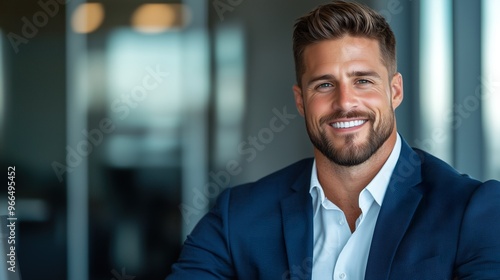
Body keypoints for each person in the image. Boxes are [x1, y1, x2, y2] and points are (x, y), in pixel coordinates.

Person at [166, 1, 500, 279]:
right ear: (300, 101)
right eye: (324, 85)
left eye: (363, 81)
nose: (344, 102)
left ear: (394, 90)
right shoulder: (237, 216)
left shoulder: (473, 211)